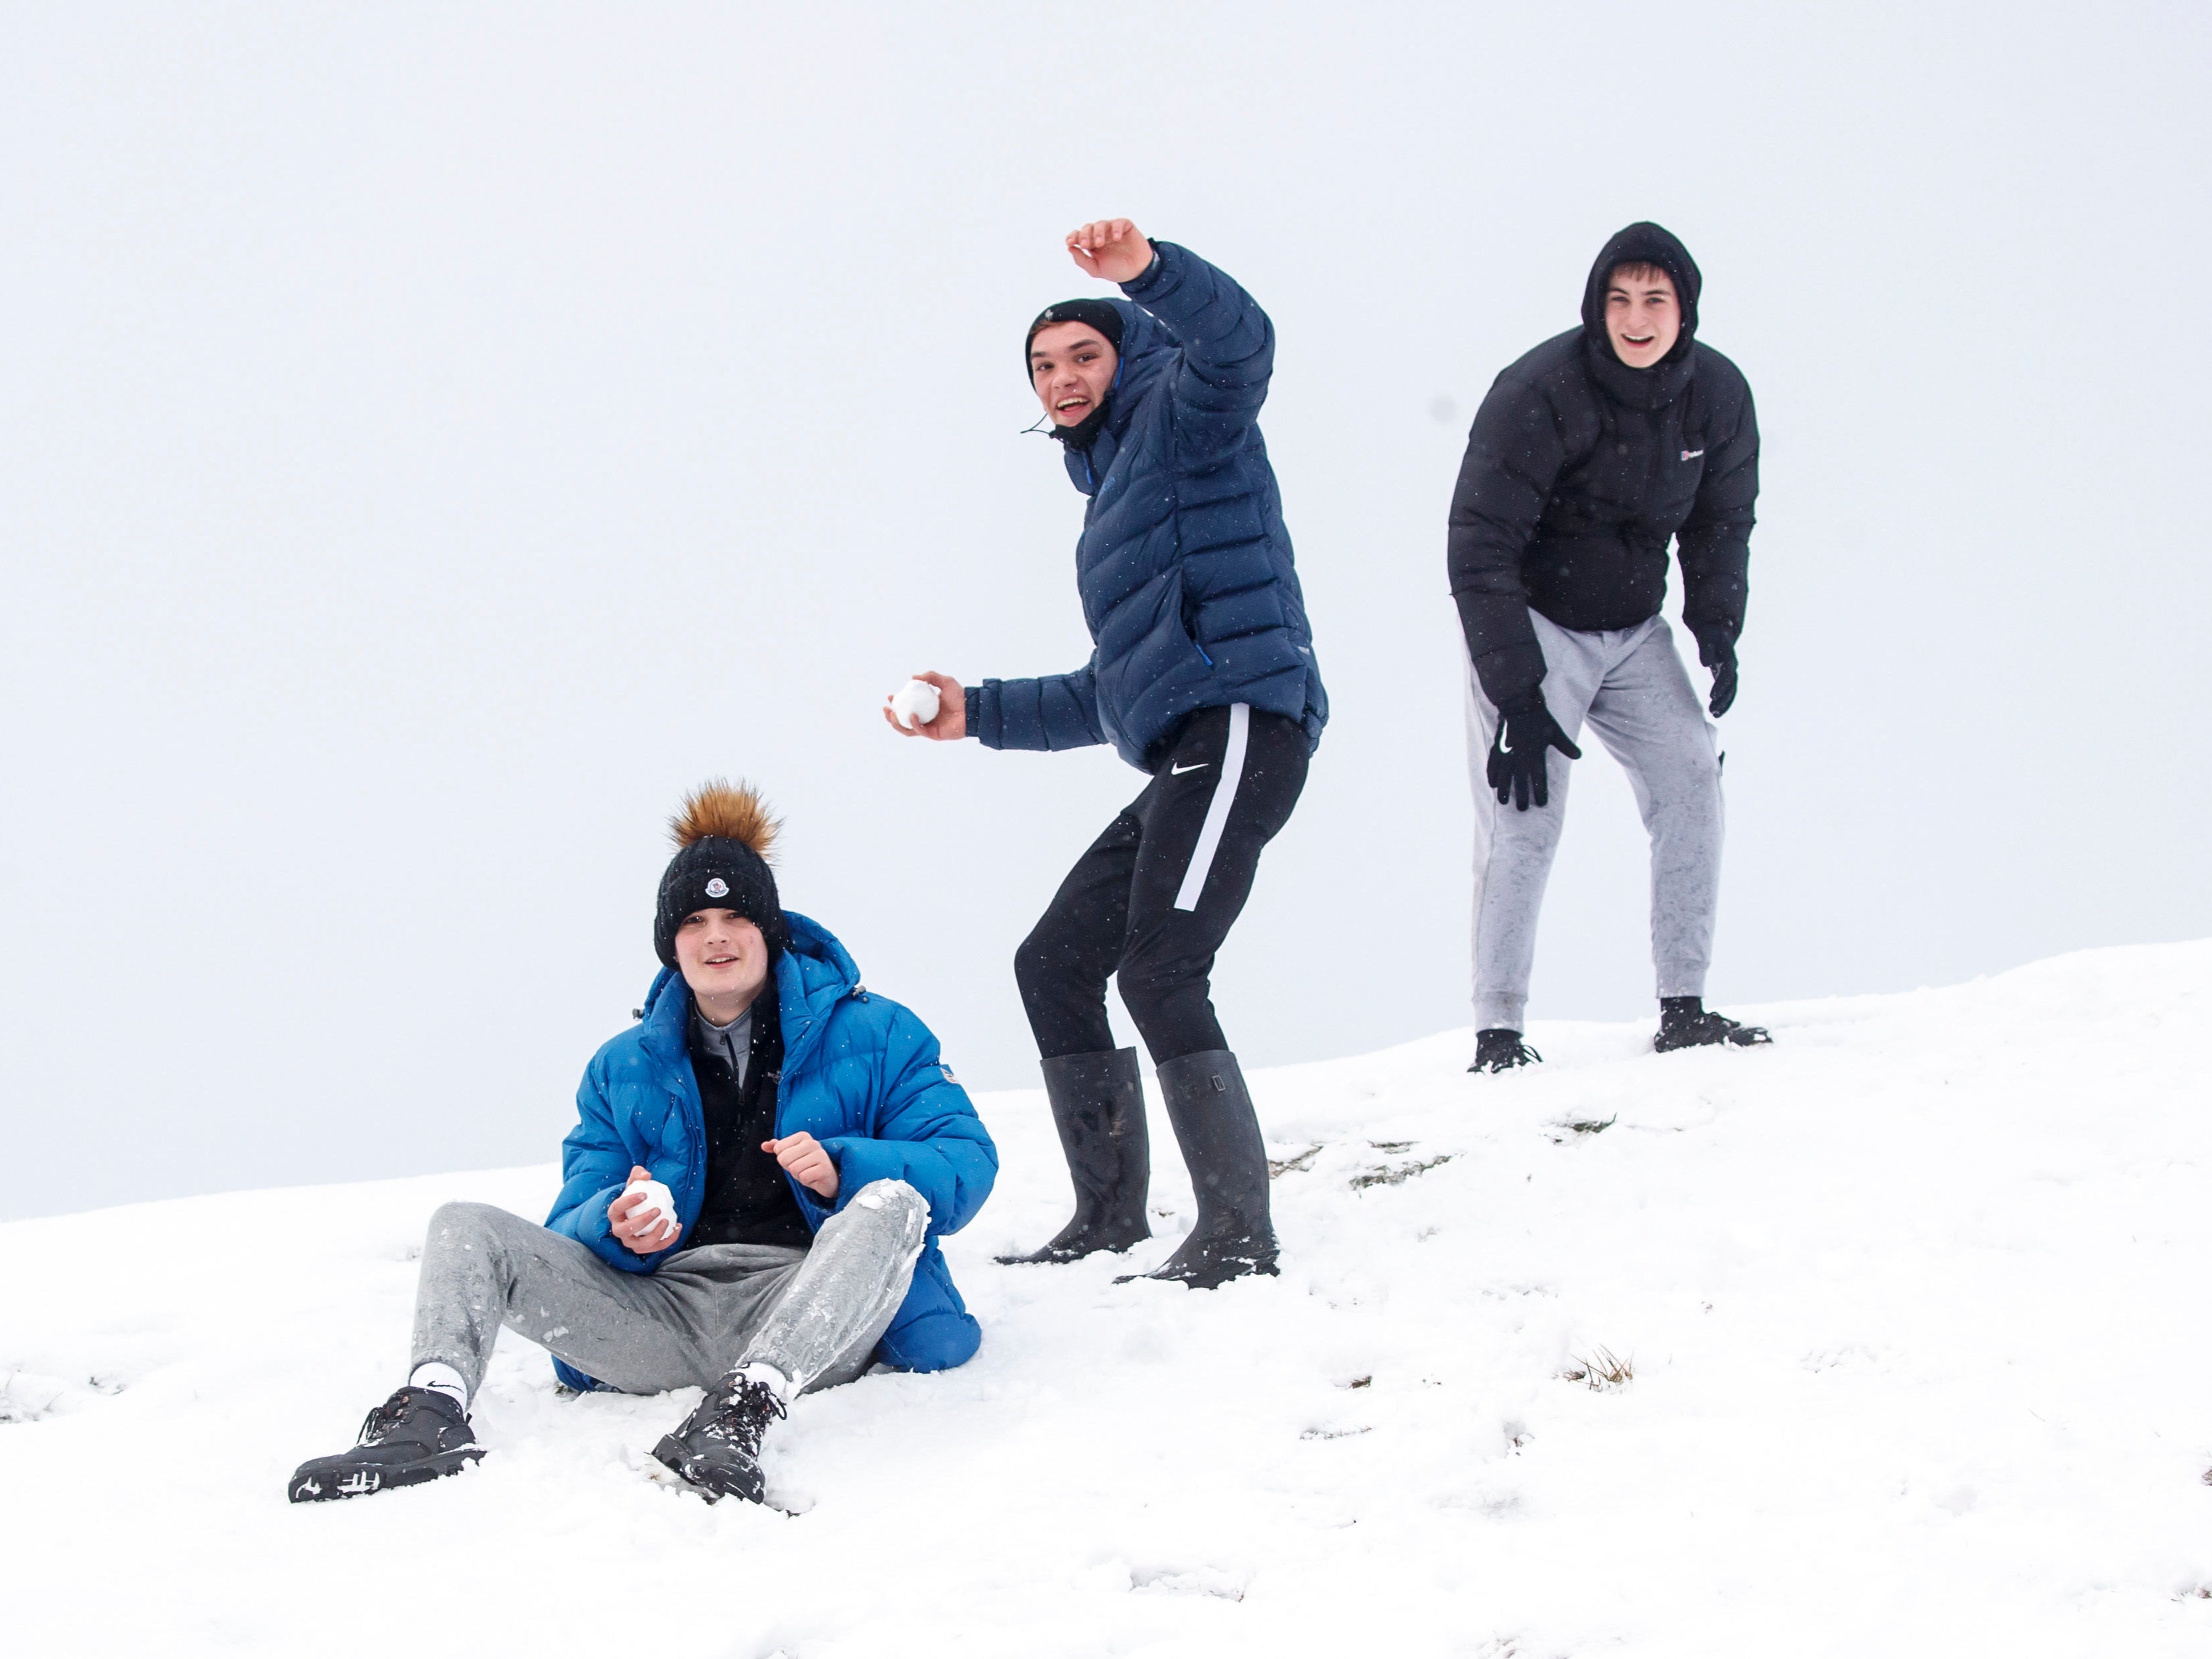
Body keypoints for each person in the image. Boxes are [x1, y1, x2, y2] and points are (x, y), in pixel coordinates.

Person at [289, 781, 997, 1506]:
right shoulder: (620, 1066)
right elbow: (569, 1219)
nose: (716, 935)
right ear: (671, 942)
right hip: (664, 1314)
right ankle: (430, 1414)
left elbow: (966, 1160)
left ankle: (745, 1407)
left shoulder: (879, 1031)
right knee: (463, 1225)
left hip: (813, 1309)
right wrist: (616, 1222)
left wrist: (843, 1167)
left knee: (889, 1202)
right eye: (694, 919)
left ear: (769, 929)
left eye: (735, 915)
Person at [887, 218, 1326, 1290]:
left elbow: (1241, 347)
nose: (1062, 377)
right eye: (1042, 366)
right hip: (1184, 738)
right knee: (1055, 963)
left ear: (1127, 355)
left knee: (1162, 967)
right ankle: (1108, 1211)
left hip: (1242, 725)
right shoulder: (1111, 497)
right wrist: (973, 712)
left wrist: (1148, 273)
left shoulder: (1185, 415)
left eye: (1084, 354)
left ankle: (1235, 1232)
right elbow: (1115, 690)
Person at [1447, 222, 1772, 1073]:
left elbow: (1719, 523)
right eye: (1618, 300)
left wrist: (1716, 625)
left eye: (1654, 301)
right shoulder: (1537, 390)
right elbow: (1478, 543)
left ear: (1683, 311)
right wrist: (1515, 689)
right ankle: (1498, 1030)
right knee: (1524, 819)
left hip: (1633, 631)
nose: (1636, 318)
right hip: (1534, 624)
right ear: (1596, 307)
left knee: (1692, 776)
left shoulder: (1717, 397)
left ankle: (1683, 1006)